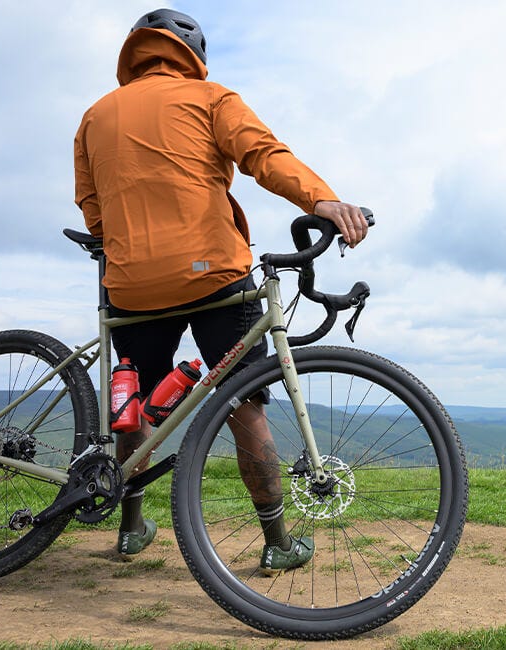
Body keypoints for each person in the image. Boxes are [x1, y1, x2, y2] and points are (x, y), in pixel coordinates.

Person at [73, 8, 369, 575]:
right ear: (194, 53)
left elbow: (91, 204)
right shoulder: (211, 97)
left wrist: (121, 244)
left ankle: (131, 530)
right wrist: (321, 200)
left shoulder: (94, 116)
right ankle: (278, 543)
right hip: (214, 274)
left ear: (135, 53)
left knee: (134, 404)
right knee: (244, 402)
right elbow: (264, 155)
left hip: (132, 282)